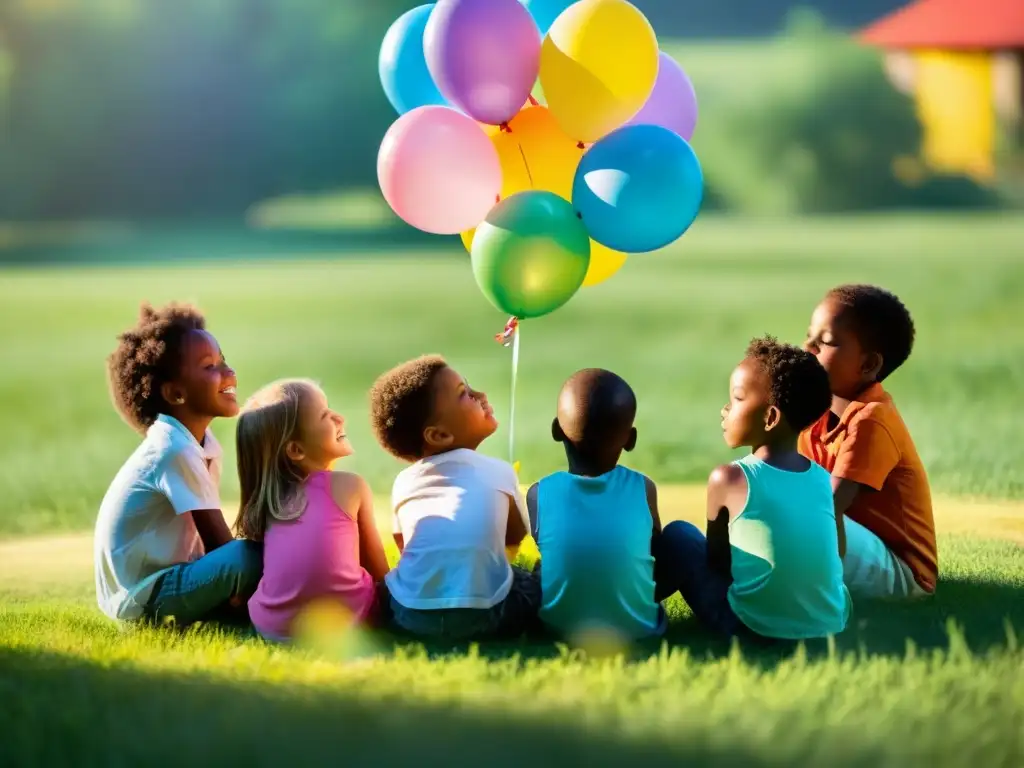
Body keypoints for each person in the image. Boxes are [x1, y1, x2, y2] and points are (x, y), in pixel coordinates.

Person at [657, 337, 851, 640]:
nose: (725, 409)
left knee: (680, 536)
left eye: (736, 399)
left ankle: (629, 608)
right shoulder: (822, 479)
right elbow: (837, 555)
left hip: (750, 628)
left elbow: (719, 561)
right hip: (827, 625)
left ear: (770, 417)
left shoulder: (729, 478)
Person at [94, 303, 261, 625]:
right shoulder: (173, 449)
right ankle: (262, 614)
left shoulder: (200, 442)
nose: (229, 373)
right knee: (249, 555)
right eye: (210, 366)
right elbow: (217, 543)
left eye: (224, 361)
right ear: (176, 393)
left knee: (254, 552)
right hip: (142, 598)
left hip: (168, 579)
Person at [369, 355, 538, 641]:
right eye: (465, 394)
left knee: (390, 585)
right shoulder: (500, 471)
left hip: (411, 616)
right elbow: (514, 537)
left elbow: (404, 547)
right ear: (440, 435)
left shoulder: (404, 481)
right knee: (534, 579)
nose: (480, 395)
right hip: (487, 614)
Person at [802, 284, 937, 598]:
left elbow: (828, 506)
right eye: (809, 336)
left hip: (903, 573)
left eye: (825, 342)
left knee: (802, 514)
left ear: (868, 365)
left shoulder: (871, 419)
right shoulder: (814, 414)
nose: (807, 348)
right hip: (848, 539)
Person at [235, 379, 391, 642]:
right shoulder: (350, 486)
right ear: (296, 450)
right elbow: (379, 571)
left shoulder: (267, 502)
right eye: (324, 416)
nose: (339, 417)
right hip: (348, 625)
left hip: (273, 629)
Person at [527, 369, 665, 641]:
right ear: (631, 439)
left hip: (558, 629)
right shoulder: (644, 488)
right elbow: (656, 548)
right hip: (638, 628)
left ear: (556, 430)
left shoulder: (538, 493)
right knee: (680, 537)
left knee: (532, 569)